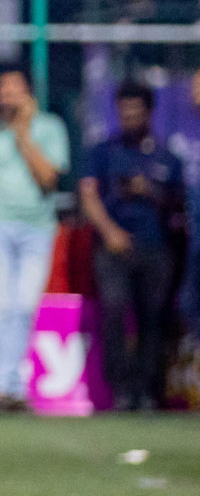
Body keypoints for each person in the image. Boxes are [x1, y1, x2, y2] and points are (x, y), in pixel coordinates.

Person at [79, 80, 186, 411]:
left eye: (136, 110)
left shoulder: (168, 157)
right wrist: (110, 232)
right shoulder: (104, 151)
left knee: (153, 319)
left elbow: (179, 204)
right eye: (124, 110)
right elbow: (88, 194)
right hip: (112, 247)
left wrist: (147, 190)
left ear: (150, 112)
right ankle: (121, 392)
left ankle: (149, 391)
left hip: (156, 247)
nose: (129, 117)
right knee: (114, 313)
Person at [0, 69, 69, 413]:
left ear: (28, 94)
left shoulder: (50, 128)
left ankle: (11, 384)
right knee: (1, 307)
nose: (8, 95)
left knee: (24, 306)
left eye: (15, 89)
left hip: (37, 230)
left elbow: (49, 179)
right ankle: (3, 388)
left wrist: (24, 134)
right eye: (2, 89)